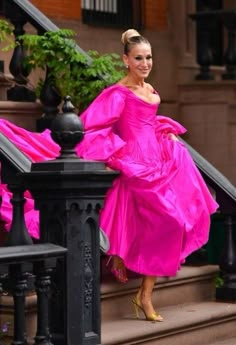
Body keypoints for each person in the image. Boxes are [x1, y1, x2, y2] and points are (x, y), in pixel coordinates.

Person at [0, 29, 218, 322]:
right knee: (167, 221)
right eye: (138, 58)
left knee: (171, 223)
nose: (145, 63)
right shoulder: (118, 93)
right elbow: (87, 125)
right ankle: (134, 281)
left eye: (149, 57)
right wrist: (109, 152)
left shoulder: (150, 89)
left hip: (157, 162)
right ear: (126, 60)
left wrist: (164, 130)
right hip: (134, 164)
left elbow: (148, 122)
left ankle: (145, 294)